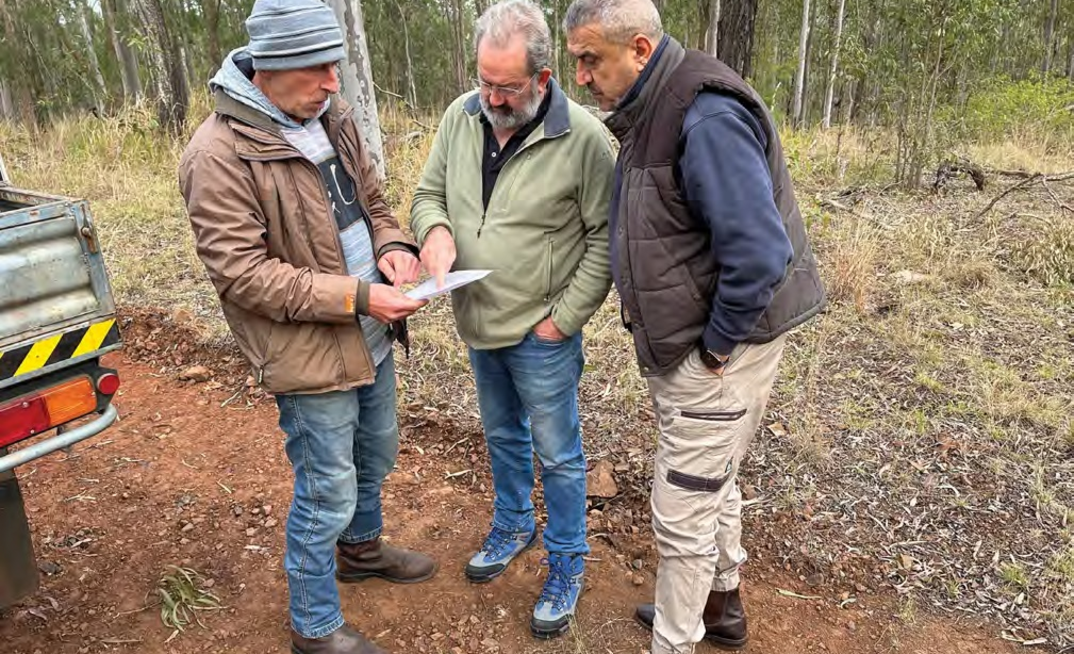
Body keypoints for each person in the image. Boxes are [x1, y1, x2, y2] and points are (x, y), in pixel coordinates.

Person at [562, 1, 827, 652]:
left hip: (721, 349)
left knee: (682, 509)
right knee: (713, 481)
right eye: (577, 61)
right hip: (693, 344)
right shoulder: (651, 106)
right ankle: (721, 606)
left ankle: (676, 640)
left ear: (641, 50)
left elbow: (760, 252)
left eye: (590, 60)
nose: (581, 78)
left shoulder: (702, 114)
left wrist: (715, 347)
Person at [178, 2, 436, 652]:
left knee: (374, 454)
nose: (332, 81)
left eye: (336, 66)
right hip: (308, 351)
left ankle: (361, 551)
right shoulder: (217, 154)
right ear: (271, 65)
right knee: (326, 485)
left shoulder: (331, 117)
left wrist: (392, 248)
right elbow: (243, 275)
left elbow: (372, 201)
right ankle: (315, 627)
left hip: (369, 333)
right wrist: (359, 297)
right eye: (318, 67)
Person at [410, 0, 615, 639]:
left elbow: (607, 239)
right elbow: (427, 195)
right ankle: (512, 523)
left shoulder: (583, 139)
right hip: (478, 318)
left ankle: (566, 563)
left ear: (544, 79)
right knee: (501, 435)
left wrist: (564, 319)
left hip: (542, 332)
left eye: (508, 87)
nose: (492, 99)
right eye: (484, 83)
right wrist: (435, 233)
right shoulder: (459, 116)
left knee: (558, 455)